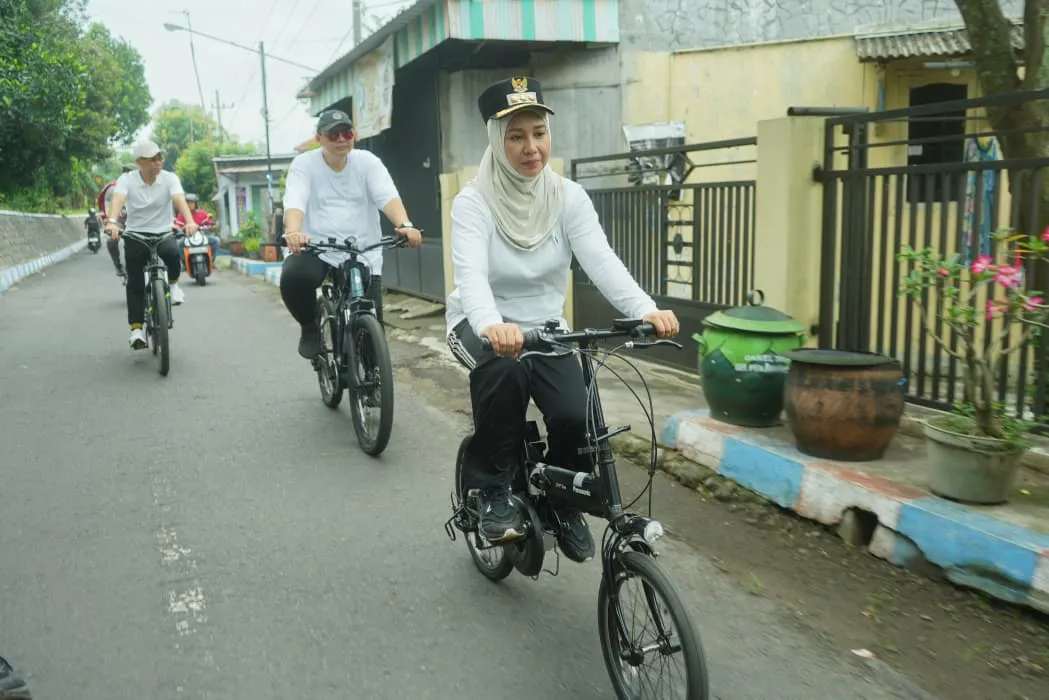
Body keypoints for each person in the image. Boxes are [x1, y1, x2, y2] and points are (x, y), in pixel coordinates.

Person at [444, 77, 680, 563]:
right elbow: (471, 276)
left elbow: (602, 260)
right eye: (516, 136)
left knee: (576, 415)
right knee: (504, 371)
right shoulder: (473, 202)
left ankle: (559, 497)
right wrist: (492, 324)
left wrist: (645, 310)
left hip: (547, 327)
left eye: (539, 133)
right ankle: (491, 490)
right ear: (495, 139)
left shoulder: (567, 197)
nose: (531, 148)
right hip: (482, 324)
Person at [280, 108, 422, 359]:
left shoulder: (367, 162)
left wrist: (405, 224)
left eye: (347, 133)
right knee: (294, 277)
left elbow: (387, 195)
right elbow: (295, 200)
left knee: (372, 329)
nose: (341, 139)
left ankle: (370, 379)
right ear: (319, 139)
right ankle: (309, 327)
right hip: (318, 247)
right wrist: (293, 232)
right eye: (333, 134)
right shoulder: (304, 165)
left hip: (362, 248)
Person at [104, 142, 199, 349]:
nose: (158, 163)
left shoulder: (169, 178)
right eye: (153, 159)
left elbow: (179, 199)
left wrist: (189, 221)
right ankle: (137, 329)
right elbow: (118, 200)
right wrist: (112, 222)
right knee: (135, 280)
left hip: (163, 232)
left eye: (160, 158)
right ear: (140, 163)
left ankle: (173, 285)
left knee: (173, 254)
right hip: (135, 235)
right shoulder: (126, 180)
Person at [99, 164, 135, 277]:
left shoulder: (146, 185)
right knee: (111, 240)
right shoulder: (112, 188)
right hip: (119, 221)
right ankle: (118, 265)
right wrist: (107, 221)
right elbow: (104, 204)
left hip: (138, 220)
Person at [174, 193, 220, 258]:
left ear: (196, 204)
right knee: (178, 243)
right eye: (188, 203)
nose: (189, 205)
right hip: (187, 238)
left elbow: (209, 223)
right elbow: (177, 226)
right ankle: (184, 262)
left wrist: (213, 226)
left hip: (202, 237)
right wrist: (180, 228)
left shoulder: (202, 213)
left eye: (192, 203)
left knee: (216, 240)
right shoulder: (181, 215)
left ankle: (210, 260)